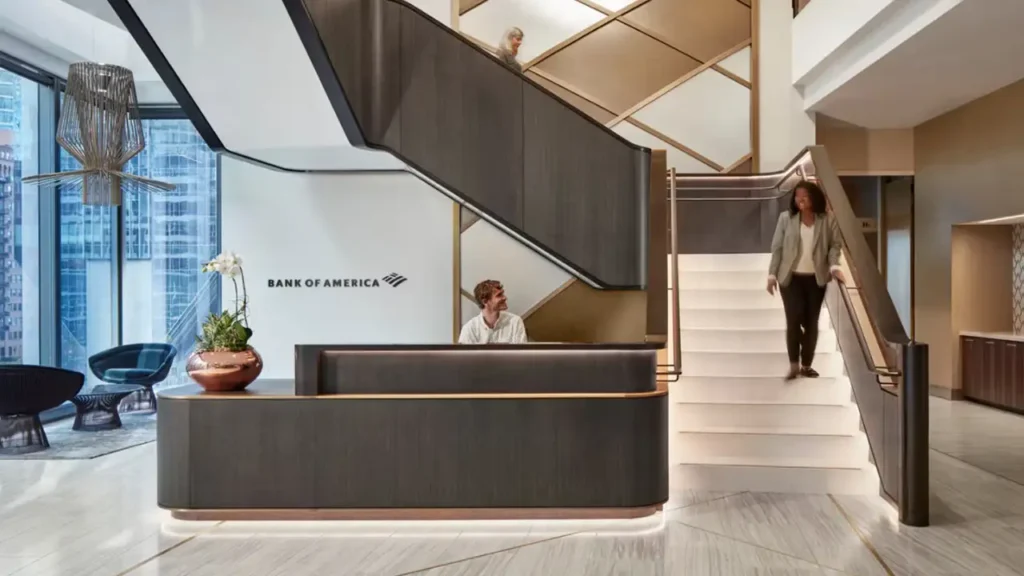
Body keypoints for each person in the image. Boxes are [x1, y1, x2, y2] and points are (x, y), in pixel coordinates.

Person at [766, 180, 845, 380]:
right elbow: (777, 248)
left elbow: (835, 246)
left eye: (805, 196)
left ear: (814, 198)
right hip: (790, 278)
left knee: (811, 323)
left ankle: (806, 365)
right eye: (797, 196)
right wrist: (772, 275)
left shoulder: (827, 220)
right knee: (793, 320)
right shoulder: (786, 219)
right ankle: (794, 364)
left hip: (815, 280)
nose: (800, 199)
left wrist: (835, 266)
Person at [459, 279, 528, 344]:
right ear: (485, 301)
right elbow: (464, 356)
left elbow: (521, 355)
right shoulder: (470, 329)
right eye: (499, 295)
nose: (505, 298)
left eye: (502, 294)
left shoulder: (515, 322)